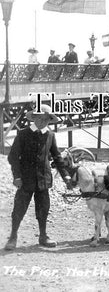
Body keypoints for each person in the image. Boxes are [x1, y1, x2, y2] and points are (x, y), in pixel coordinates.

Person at [5, 105, 72, 250]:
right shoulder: (23, 134)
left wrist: (66, 176)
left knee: (43, 209)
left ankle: (43, 236)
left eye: (46, 119)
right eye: (39, 118)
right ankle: (13, 236)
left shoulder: (50, 135)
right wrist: (17, 176)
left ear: (49, 120)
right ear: (33, 118)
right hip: (25, 180)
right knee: (19, 209)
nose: (42, 121)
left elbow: (57, 157)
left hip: (43, 180)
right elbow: (13, 157)